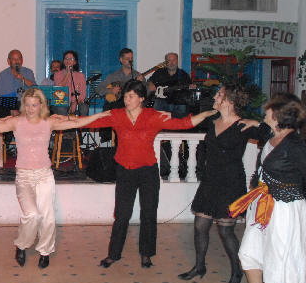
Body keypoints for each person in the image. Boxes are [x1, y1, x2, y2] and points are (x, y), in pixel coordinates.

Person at [0, 88, 111, 269]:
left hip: (44, 175)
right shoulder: (16, 122)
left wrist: (98, 115)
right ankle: (22, 244)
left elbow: (77, 122)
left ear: (41, 105)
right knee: (31, 215)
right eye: (28, 105)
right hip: (24, 176)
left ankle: (45, 251)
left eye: (34, 105)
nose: (31, 109)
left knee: (48, 217)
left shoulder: (49, 122)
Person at [86, 80, 218, 269]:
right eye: (125, 96)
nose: (126, 99)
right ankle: (113, 254)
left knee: (148, 213)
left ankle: (146, 254)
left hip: (147, 171)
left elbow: (184, 124)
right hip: (125, 170)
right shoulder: (117, 115)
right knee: (122, 215)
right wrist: (62, 121)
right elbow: (91, 122)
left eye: (131, 96)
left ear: (141, 98)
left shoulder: (153, 116)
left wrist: (205, 114)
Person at [230, 94, 306, 283]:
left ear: (279, 116)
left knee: (280, 256)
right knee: (248, 250)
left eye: (269, 111)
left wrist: (296, 198)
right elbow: (259, 129)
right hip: (263, 202)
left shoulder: (295, 146)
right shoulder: (271, 133)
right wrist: (252, 122)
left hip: (284, 208)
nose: (265, 114)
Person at [179, 84, 270, 283]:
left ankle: (237, 271)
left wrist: (256, 122)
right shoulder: (212, 121)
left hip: (230, 182)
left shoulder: (242, 125)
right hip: (210, 180)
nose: (215, 97)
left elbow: (270, 134)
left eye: (219, 95)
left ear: (229, 101)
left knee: (225, 230)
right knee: (200, 225)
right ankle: (199, 266)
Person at [147, 52, 192, 117]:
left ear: (177, 61)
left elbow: (189, 88)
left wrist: (190, 88)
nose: (171, 63)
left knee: (183, 108)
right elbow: (150, 80)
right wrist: (150, 84)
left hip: (178, 101)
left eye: (174, 60)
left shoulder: (183, 75)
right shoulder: (159, 72)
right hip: (161, 100)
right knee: (155, 110)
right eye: (169, 60)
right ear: (165, 62)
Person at [53, 50, 88, 115]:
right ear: (63, 61)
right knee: (61, 108)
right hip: (61, 102)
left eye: (70, 59)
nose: (68, 60)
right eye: (66, 58)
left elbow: (82, 94)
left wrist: (75, 103)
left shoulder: (81, 75)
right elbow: (59, 89)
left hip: (76, 102)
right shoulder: (57, 74)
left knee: (84, 108)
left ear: (75, 62)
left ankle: (83, 122)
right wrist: (68, 73)